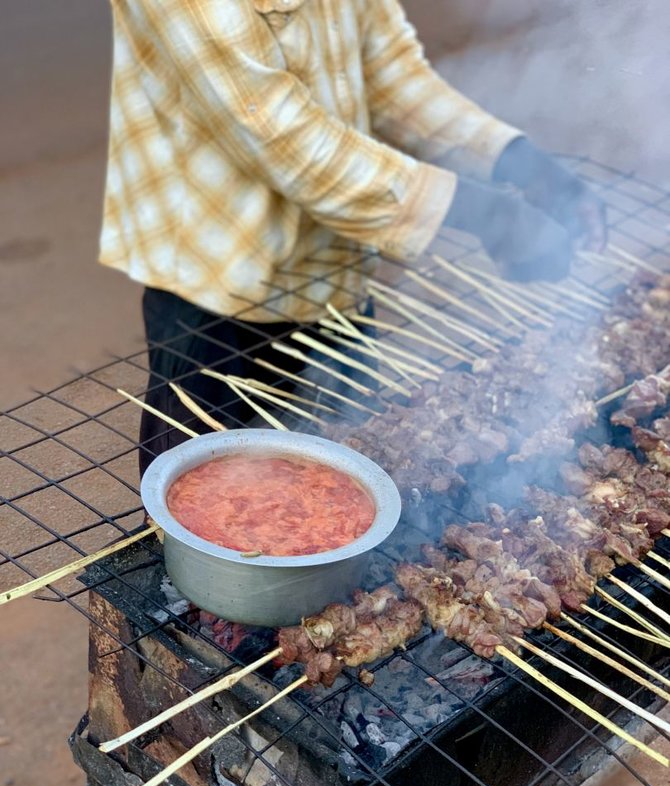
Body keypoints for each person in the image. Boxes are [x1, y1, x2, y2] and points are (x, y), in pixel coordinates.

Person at [100, 0, 606, 474]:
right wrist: (487, 213)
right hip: (218, 293)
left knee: (353, 496)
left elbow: (392, 77)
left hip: (336, 277)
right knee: (211, 533)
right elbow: (283, 138)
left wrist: (517, 159)